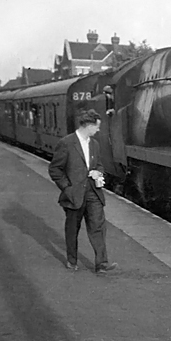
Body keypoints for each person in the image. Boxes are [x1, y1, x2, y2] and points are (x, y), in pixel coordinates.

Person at [48, 109, 118, 273]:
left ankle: (101, 264)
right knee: (73, 229)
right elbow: (55, 169)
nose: (98, 130)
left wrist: (98, 172)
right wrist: (67, 188)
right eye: (97, 127)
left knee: (98, 227)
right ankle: (72, 261)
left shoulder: (94, 144)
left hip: (93, 193)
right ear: (88, 125)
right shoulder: (66, 143)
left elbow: (99, 165)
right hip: (74, 194)